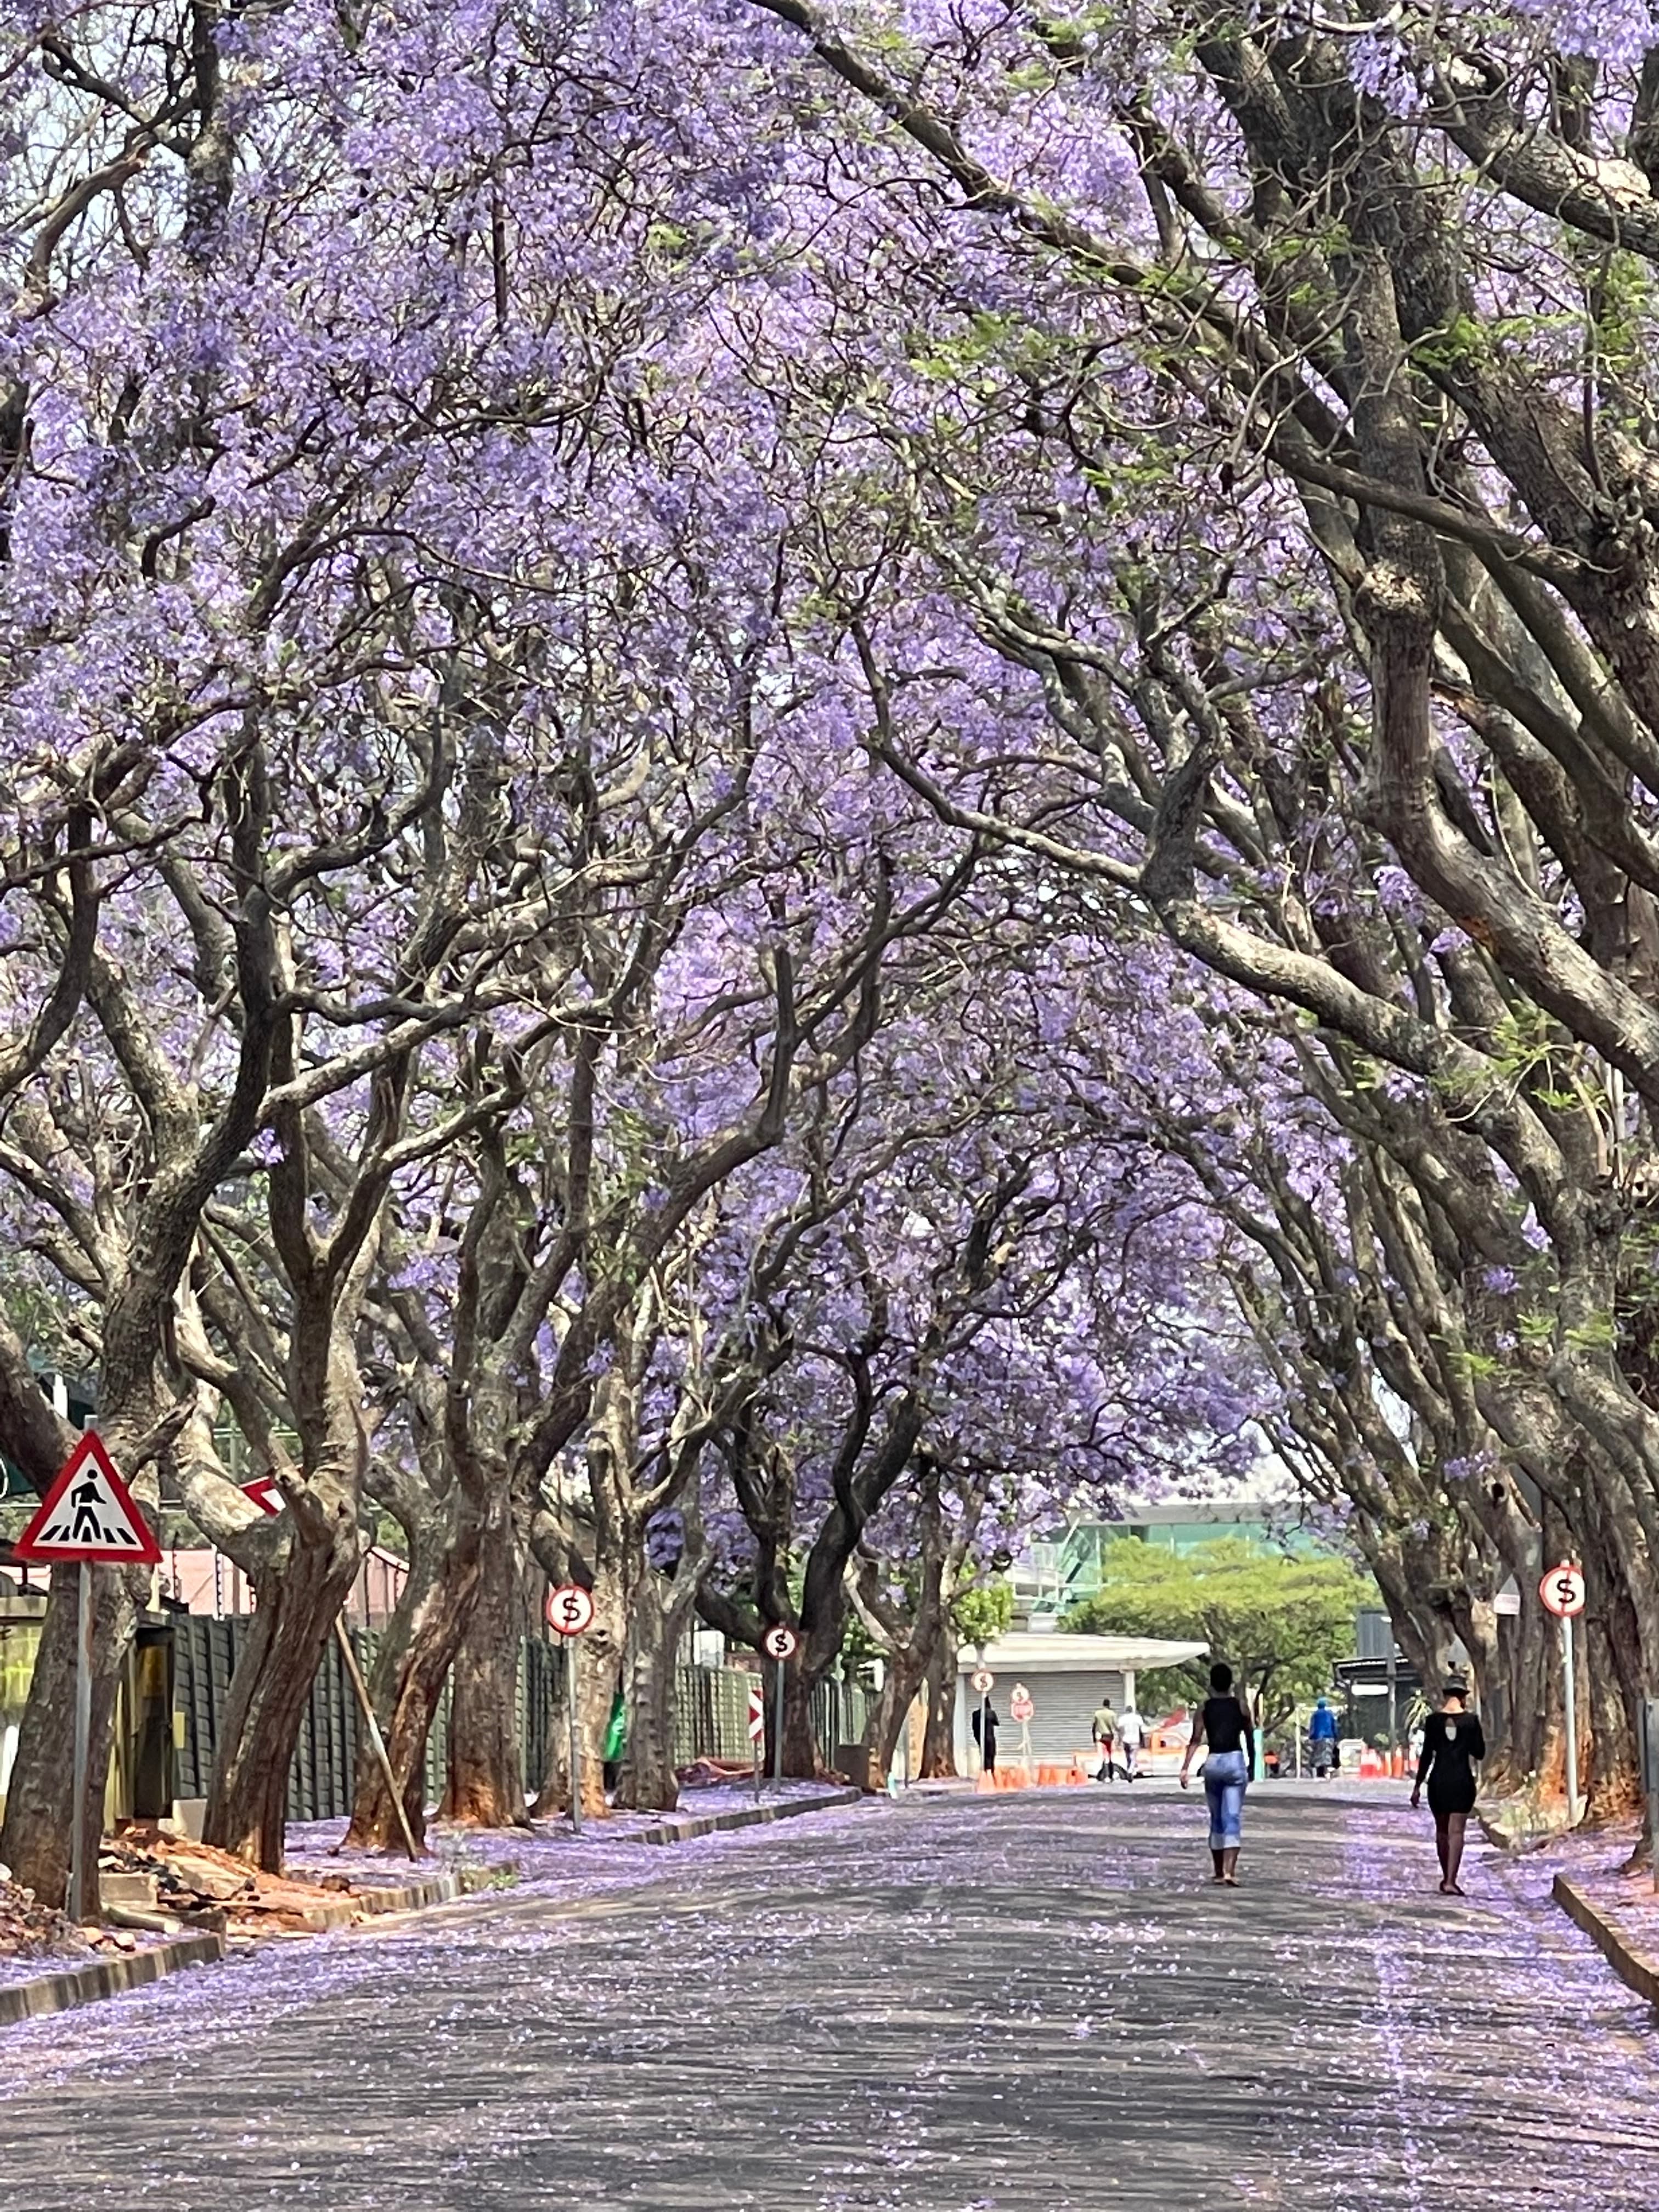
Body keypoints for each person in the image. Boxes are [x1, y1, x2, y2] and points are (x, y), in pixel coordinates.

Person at [1180, 1662, 1255, 1884]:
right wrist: (1252, 1765)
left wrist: (1186, 1768)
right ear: (1231, 1684)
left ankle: (1218, 1872)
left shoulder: (1204, 1709)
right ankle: (1230, 1871)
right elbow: (1250, 1737)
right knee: (1232, 1816)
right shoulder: (1241, 1707)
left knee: (1216, 1818)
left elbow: (1195, 1739)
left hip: (1213, 1763)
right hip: (1234, 1761)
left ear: (1211, 1685)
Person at [1411, 1679, 1486, 1895]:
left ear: (1446, 1696)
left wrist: (1417, 1786)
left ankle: (1446, 1877)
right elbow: (1479, 1752)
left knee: (1442, 1831)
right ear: (1463, 1697)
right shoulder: (1471, 1721)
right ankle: (1451, 1880)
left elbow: (1426, 1756)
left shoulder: (1433, 1721)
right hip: (1462, 1780)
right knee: (1457, 1832)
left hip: (1439, 1780)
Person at [1309, 1695, 1340, 1778]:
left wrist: (1311, 1737)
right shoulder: (1330, 1714)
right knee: (1327, 1755)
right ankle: (1327, 1771)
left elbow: (1313, 1727)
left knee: (1318, 1755)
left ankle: (1320, 1772)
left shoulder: (1315, 1715)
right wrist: (1336, 1736)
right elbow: (1334, 1726)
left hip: (1317, 1737)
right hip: (1329, 1737)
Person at [1116, 1701, 1147, 1779]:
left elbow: (1120, 1730)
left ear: (1126, 1711)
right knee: (1133, 1756)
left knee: (1128, 1756)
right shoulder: (1138, 1718)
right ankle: (1130, 1771)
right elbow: (1142, 1730)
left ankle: (1129, 1770)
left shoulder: (1122, 1719)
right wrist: (1143, 1741)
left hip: (1126, 1739)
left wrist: (1119, 1741)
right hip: (1135, 1740)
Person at [1091, 1698, 1119, 1782]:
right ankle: (1110, 1776)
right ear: (1109, 1705)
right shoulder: (1112, 1714)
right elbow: (1115, 1726)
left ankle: (1103, 1775)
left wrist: (1093, 1737)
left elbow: (1094, 1726)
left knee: (1102, 1756)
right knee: (1110, 1756)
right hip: (1109, 1736)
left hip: (1100, 1736)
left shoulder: (1097, 1714)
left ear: (1103, 1705)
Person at [972, 1700, 1000, 1777]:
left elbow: (974, 1727)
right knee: (991, 1755)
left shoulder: (975, 1714)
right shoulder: (991, 1713)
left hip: (980, 1738)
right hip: (990, 1737)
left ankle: (985, 1773)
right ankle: (991, 1773)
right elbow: (997, 1723)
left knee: (984, 1756)